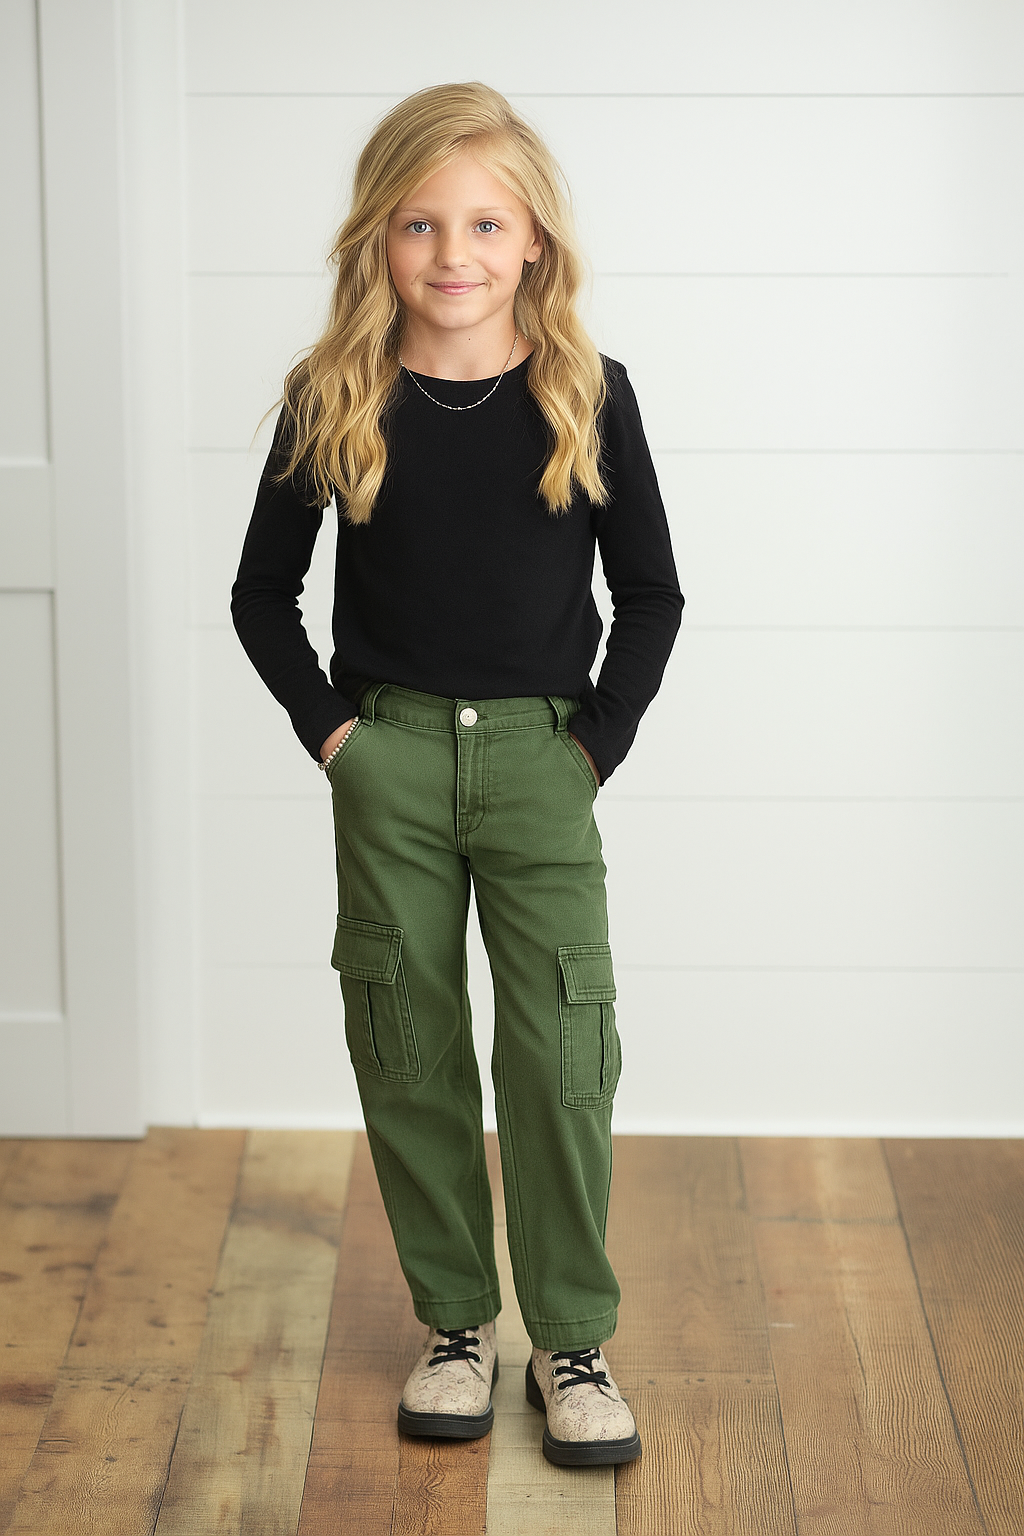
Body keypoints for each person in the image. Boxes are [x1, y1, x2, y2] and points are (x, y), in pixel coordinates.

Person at [230, 80, 683, 1469]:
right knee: (409, 1042)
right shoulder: (333, 397)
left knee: (559, 1050)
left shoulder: (588, 394)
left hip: (543, 760)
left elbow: (652, 593)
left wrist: (591, 747)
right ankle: (454, 1326)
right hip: (393, 763)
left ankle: (572, 1340)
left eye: (487, 223)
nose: (453, 254)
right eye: (420, 223)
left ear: (535, 238)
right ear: (378, 236)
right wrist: (339, 740)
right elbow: (261, 596)